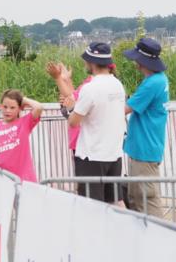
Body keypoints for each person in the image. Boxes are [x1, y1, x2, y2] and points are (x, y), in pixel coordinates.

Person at [60, 42, 127, 203]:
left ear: (92, 62)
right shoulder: (118, 85)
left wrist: (70, 108)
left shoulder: (90, 88)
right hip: (114, 153)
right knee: (114, 202)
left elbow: (74, 122)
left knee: (90, 205)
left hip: (91, 155)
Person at [122, 38, 170, 216]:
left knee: (146, 199)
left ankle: (160, 236)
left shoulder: (152, 83)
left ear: (142, 61)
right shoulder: (159, 79)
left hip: (145, 149)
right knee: (137, 197)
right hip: (145, 147)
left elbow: (125, 109)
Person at [0, 89, 43, 182]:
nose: (8, 110)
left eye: (12, 107)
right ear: (0, 106)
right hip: (2, 179)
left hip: (23, 179)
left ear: (19, 108)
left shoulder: (24, 123)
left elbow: (38, 108)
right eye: (5, 107)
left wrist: (24, 100)